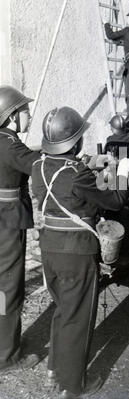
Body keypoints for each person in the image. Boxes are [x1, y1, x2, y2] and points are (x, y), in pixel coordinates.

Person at [31, 106, 129, 399]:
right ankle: (72, 386)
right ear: (74, 142)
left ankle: (54, 372)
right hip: (76, 253)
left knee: (63, 310)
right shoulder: (78, 174)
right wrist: (123, 173)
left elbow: (65, 174)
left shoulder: (39, 166)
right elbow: (113, 201)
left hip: (49, 249)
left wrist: (90, 163)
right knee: (79, 318)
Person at [0, 85, 40, 374]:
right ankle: (7, 356)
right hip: (8, 222)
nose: (28, 115)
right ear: (12, 116)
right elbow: (40, 166)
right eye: (25, 110)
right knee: (9, 287)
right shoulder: (11, 144)